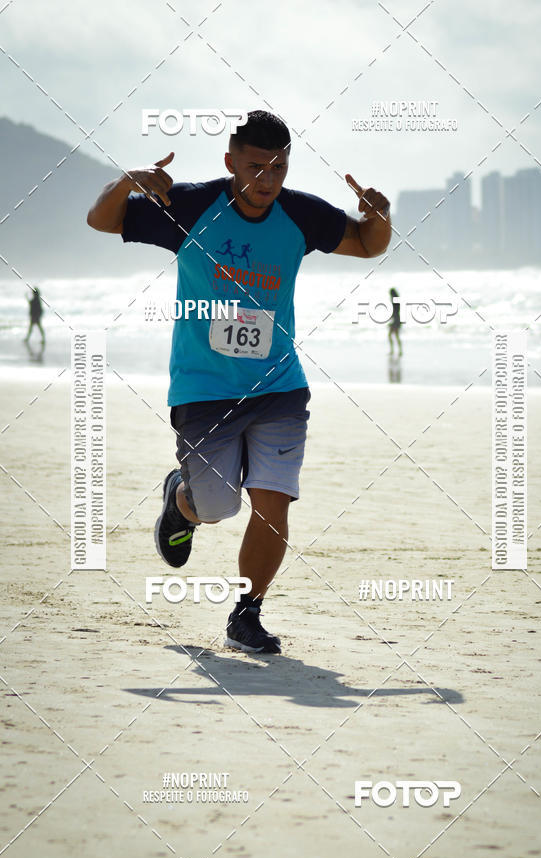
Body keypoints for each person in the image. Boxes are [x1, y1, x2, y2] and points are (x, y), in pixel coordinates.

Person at [87, 110, 391, 654]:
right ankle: (180, 500)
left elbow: (369, 244)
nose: (267, 179)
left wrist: (379, 214)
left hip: (280, 386)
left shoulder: (302, 214)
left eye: (278, 167)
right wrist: (129, 181)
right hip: (205, 389)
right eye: (255, 166)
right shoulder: (190, 207)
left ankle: (247, 614)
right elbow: (102, 221)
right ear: (230, 162)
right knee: (217, 506)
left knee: (272, 504)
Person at [388, 287, 402, 356]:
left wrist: (391, 318)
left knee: (391, 335)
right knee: (396, 336)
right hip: (397, 319)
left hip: (395, 320)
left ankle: (393, 350)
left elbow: (394, 311)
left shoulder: (394, 301)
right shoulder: (397, 301)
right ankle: (399, 351)